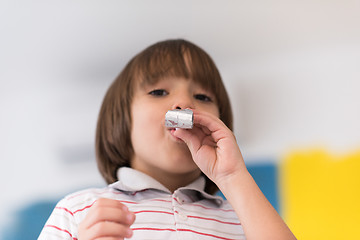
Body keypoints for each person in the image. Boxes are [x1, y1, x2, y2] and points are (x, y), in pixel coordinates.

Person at [39, 39, 296, 240]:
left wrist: (233, 176)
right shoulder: (78, 210)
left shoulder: (245, 219)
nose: (184, 104)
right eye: (158, 92)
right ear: (122, 121)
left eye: (203, 97)